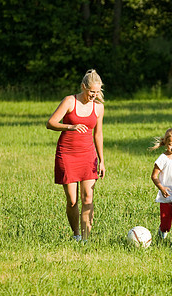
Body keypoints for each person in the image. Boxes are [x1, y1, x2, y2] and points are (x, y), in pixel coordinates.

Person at [46, 69, 105, 243]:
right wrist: (70, 127)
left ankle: (86, 239)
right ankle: (76, 234)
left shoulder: (99, 107)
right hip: (67, 154)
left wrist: (102, 161)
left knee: (88, 197)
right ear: (83, 87)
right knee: (72, 200)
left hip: (88, 156)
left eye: (97, 92)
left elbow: (98, 134)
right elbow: (50, 123)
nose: (94, 95)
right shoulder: (70, 101)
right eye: (91, 91)